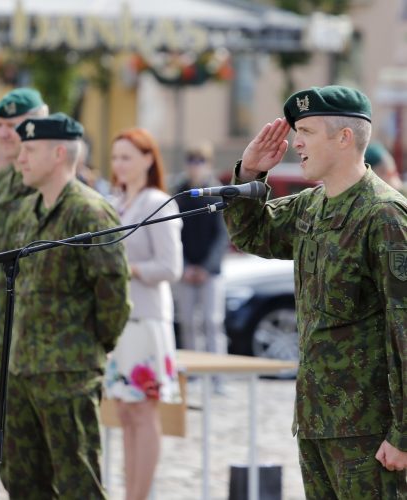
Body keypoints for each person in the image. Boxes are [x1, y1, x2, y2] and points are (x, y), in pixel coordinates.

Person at [223, 85, 407, 498]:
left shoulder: (383, 216)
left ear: (344, 138)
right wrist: (250, 173)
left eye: (306, 130)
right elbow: (253, 234)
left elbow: (404, 330)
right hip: (318, 421)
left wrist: (403, 434)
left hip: (369, 430)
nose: (296, 142)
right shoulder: (312, 207)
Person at [0, 113, 131, 498]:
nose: (20, 159)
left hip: (68, 370)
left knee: (78, 481)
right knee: (22, 481)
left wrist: (92, 348)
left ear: (59, 154)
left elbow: (113, 293)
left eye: (29, 151)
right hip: (23, 368)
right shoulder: (27, 213)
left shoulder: (89, 212)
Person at [103, 128, 183, 500]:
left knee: (143, 412)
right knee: (124, 410)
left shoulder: (158, 201)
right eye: (116, 157)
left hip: (146, 319)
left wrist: (128, 269)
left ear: (148, 159)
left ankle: (139, 495)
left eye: (127, 157)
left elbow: (170, 267)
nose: (119, 164)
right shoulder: (114, 202)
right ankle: (129, 492)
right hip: (118, 320)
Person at [0, 87, 48, 453]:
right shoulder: (0, 182)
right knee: (9, 443)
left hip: (42, 329)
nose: (3, 133)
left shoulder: (53, 182)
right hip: (3, 323)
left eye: (12, 124)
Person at [173, 142, 230, 388]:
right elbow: (174, 233)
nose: (195, 166)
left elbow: (222, 236)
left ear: (208, 164)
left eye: (200, 161)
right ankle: (192, 374)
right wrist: (184, 266)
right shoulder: (180, 193)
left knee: (212, 322)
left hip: (210, 273)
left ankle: (218, 376)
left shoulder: (217, 192)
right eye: (191, 161)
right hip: (185, 270)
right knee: (187, 323)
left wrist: (206, 268)